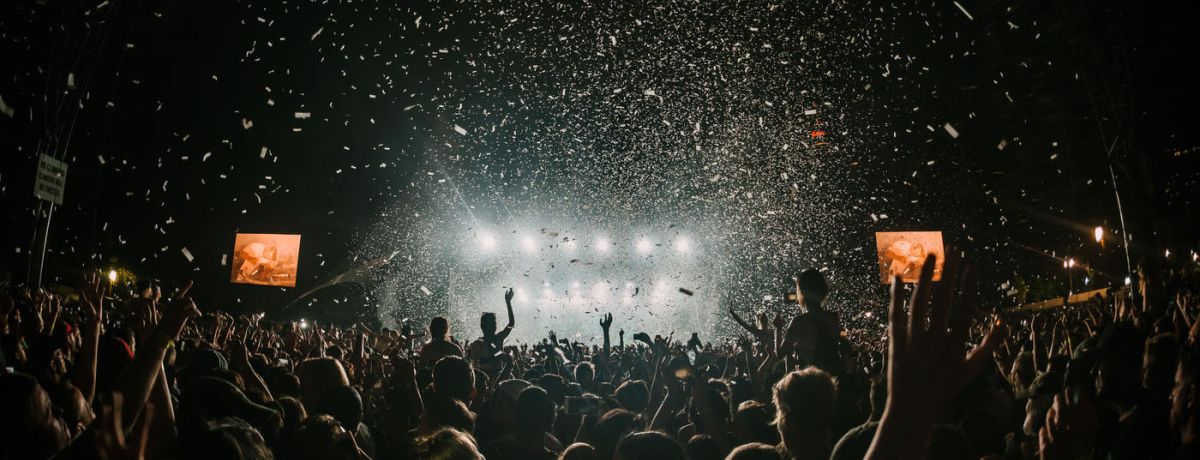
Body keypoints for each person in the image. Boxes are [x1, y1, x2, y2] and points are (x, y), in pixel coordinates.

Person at [781, 269, 843, 375]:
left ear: (802, 291)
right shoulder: (833, 318)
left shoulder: (799, 321)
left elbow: (780, 353)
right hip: (831, 380)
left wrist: (777, 328)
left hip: (810, 381)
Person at [468, 288, 516, 375]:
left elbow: (471, 366)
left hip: (483, 379)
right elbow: (511, 323)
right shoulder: (498, 338)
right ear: (495, 326)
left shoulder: (477, 344)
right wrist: (508, 302)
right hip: (498, 378)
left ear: (481, 326)